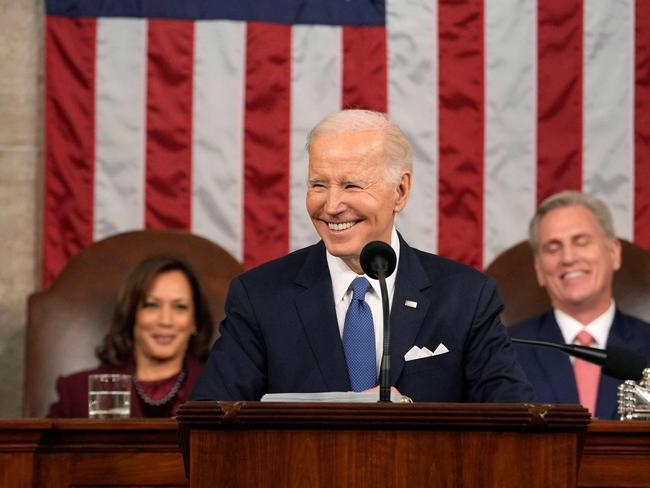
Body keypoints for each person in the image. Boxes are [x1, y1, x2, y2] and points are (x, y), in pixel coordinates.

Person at [191, 109, 533, 403]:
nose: (332, 205)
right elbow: (211, 423)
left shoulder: (466, 297)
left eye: (352, 186)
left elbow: (513, 420)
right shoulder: (260, 298)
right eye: (318, 185)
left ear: (400, 191)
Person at [508, 190, 650, 419]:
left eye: (581, 242)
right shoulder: (506, 352)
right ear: (539, 269)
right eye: (553, 247)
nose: (568, 258)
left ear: (613, 253)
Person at [48, 254, 215, 417]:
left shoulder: (221, 391)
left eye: (180, 307)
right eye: (151, 305)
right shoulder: (77, 393)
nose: (165, 321)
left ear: (195, 321)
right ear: (131, 314)